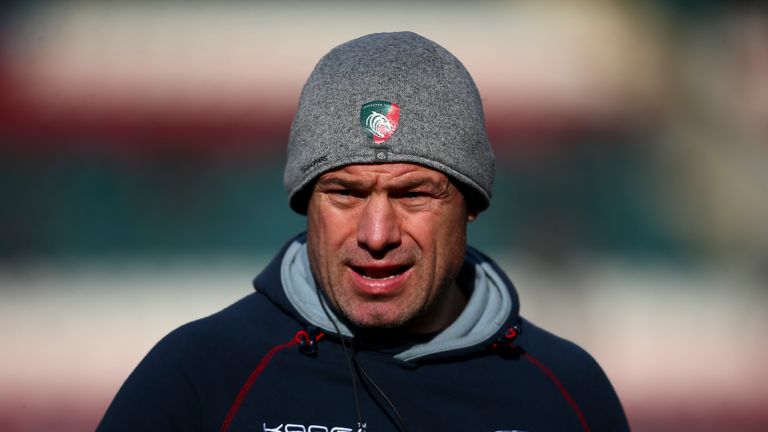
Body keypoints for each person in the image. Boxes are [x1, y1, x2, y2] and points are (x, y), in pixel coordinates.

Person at [98, 32, 628, 432]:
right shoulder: (197, 379)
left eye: (414, 194)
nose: (377, 235)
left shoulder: (570, 394)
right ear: (306, 203)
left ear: (472, 204)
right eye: (345, 194)